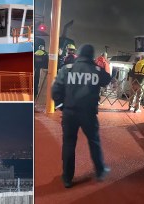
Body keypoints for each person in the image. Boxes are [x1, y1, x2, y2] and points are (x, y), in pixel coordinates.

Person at [52, 44, 111, 188]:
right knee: (94, 141)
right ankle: (100, 170)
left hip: (70, 113)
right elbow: (107, 80)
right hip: (88, 114)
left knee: (69, 144)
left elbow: (55, 90)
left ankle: (67, 178)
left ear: (78, 54)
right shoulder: (96, 70)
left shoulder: (67, 69)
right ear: (91, 56)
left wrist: (61, 107)